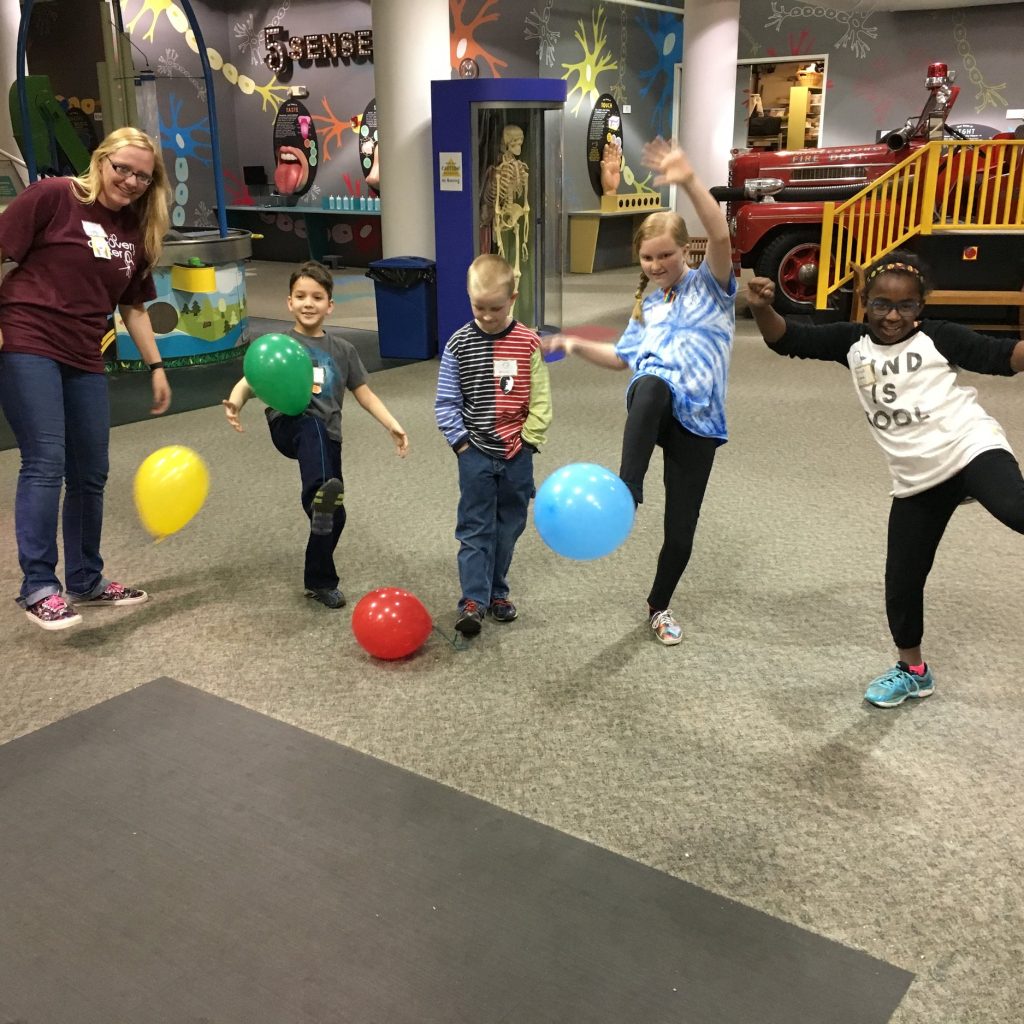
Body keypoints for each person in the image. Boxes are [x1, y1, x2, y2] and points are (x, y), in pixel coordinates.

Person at [746, 250, 1024, 707]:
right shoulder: (853, 344)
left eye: (906, 306)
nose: (893, 316)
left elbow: (999, 355)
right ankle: (913, 670)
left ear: (921, 307)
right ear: (864, 301)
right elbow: (787, 339)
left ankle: (976, 488)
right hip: (917, 475)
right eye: (881, 304)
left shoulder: (937, 338)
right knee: (901, 580)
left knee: (1015, 508)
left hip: (968, 444)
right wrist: (761, 308)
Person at [543, 138, 736, 647]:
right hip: (652, 406)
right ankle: (629, 490)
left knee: (681, 530)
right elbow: (623, 360)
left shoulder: (712, 287)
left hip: (701, 420)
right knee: (650, 383)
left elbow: (719, 233)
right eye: (648, 258)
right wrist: (575, 343)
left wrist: (688, 178)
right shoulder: (650, 307)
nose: (656, 265)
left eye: (666, 255)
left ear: (684, 250)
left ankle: (659, 605)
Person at [0, 127, 172, 631]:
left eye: (143, 175)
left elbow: (133, 306)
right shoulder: (54, 197)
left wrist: (156, 367)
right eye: (123, 167)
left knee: (91, 470)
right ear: (101, 161)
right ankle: (38, 586)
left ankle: (85, 579)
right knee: (45, 461)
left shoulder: (134, 232)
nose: (131, 180)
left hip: (84, 354)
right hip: (29, 340)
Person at [223, 259, 408, 609]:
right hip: (289, 425)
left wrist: (391, 424)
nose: (309, 303)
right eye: (301, 296)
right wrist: (235, 402)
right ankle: (317, 495)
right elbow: (251, 380)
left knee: (333, 516)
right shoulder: (278, 343)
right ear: (289, 302)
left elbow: (364, 393)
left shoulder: (343, 351)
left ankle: (319, 580)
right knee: (311, 429)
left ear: (330, 305)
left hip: (328, 438)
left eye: (318, 297)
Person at [435, 253, 552, 637]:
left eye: (495, 308)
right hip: (476, 453)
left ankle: (497, 591)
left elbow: (540, 399)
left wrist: (530, 442)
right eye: (478, 306)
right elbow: (446, 403)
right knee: (474, 527)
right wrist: (462, 446)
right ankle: (473, 599)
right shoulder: (459, 345)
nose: (486, 315)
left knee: (509, 527)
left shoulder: (528, 343)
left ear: (513, 298)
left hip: (518, 455)